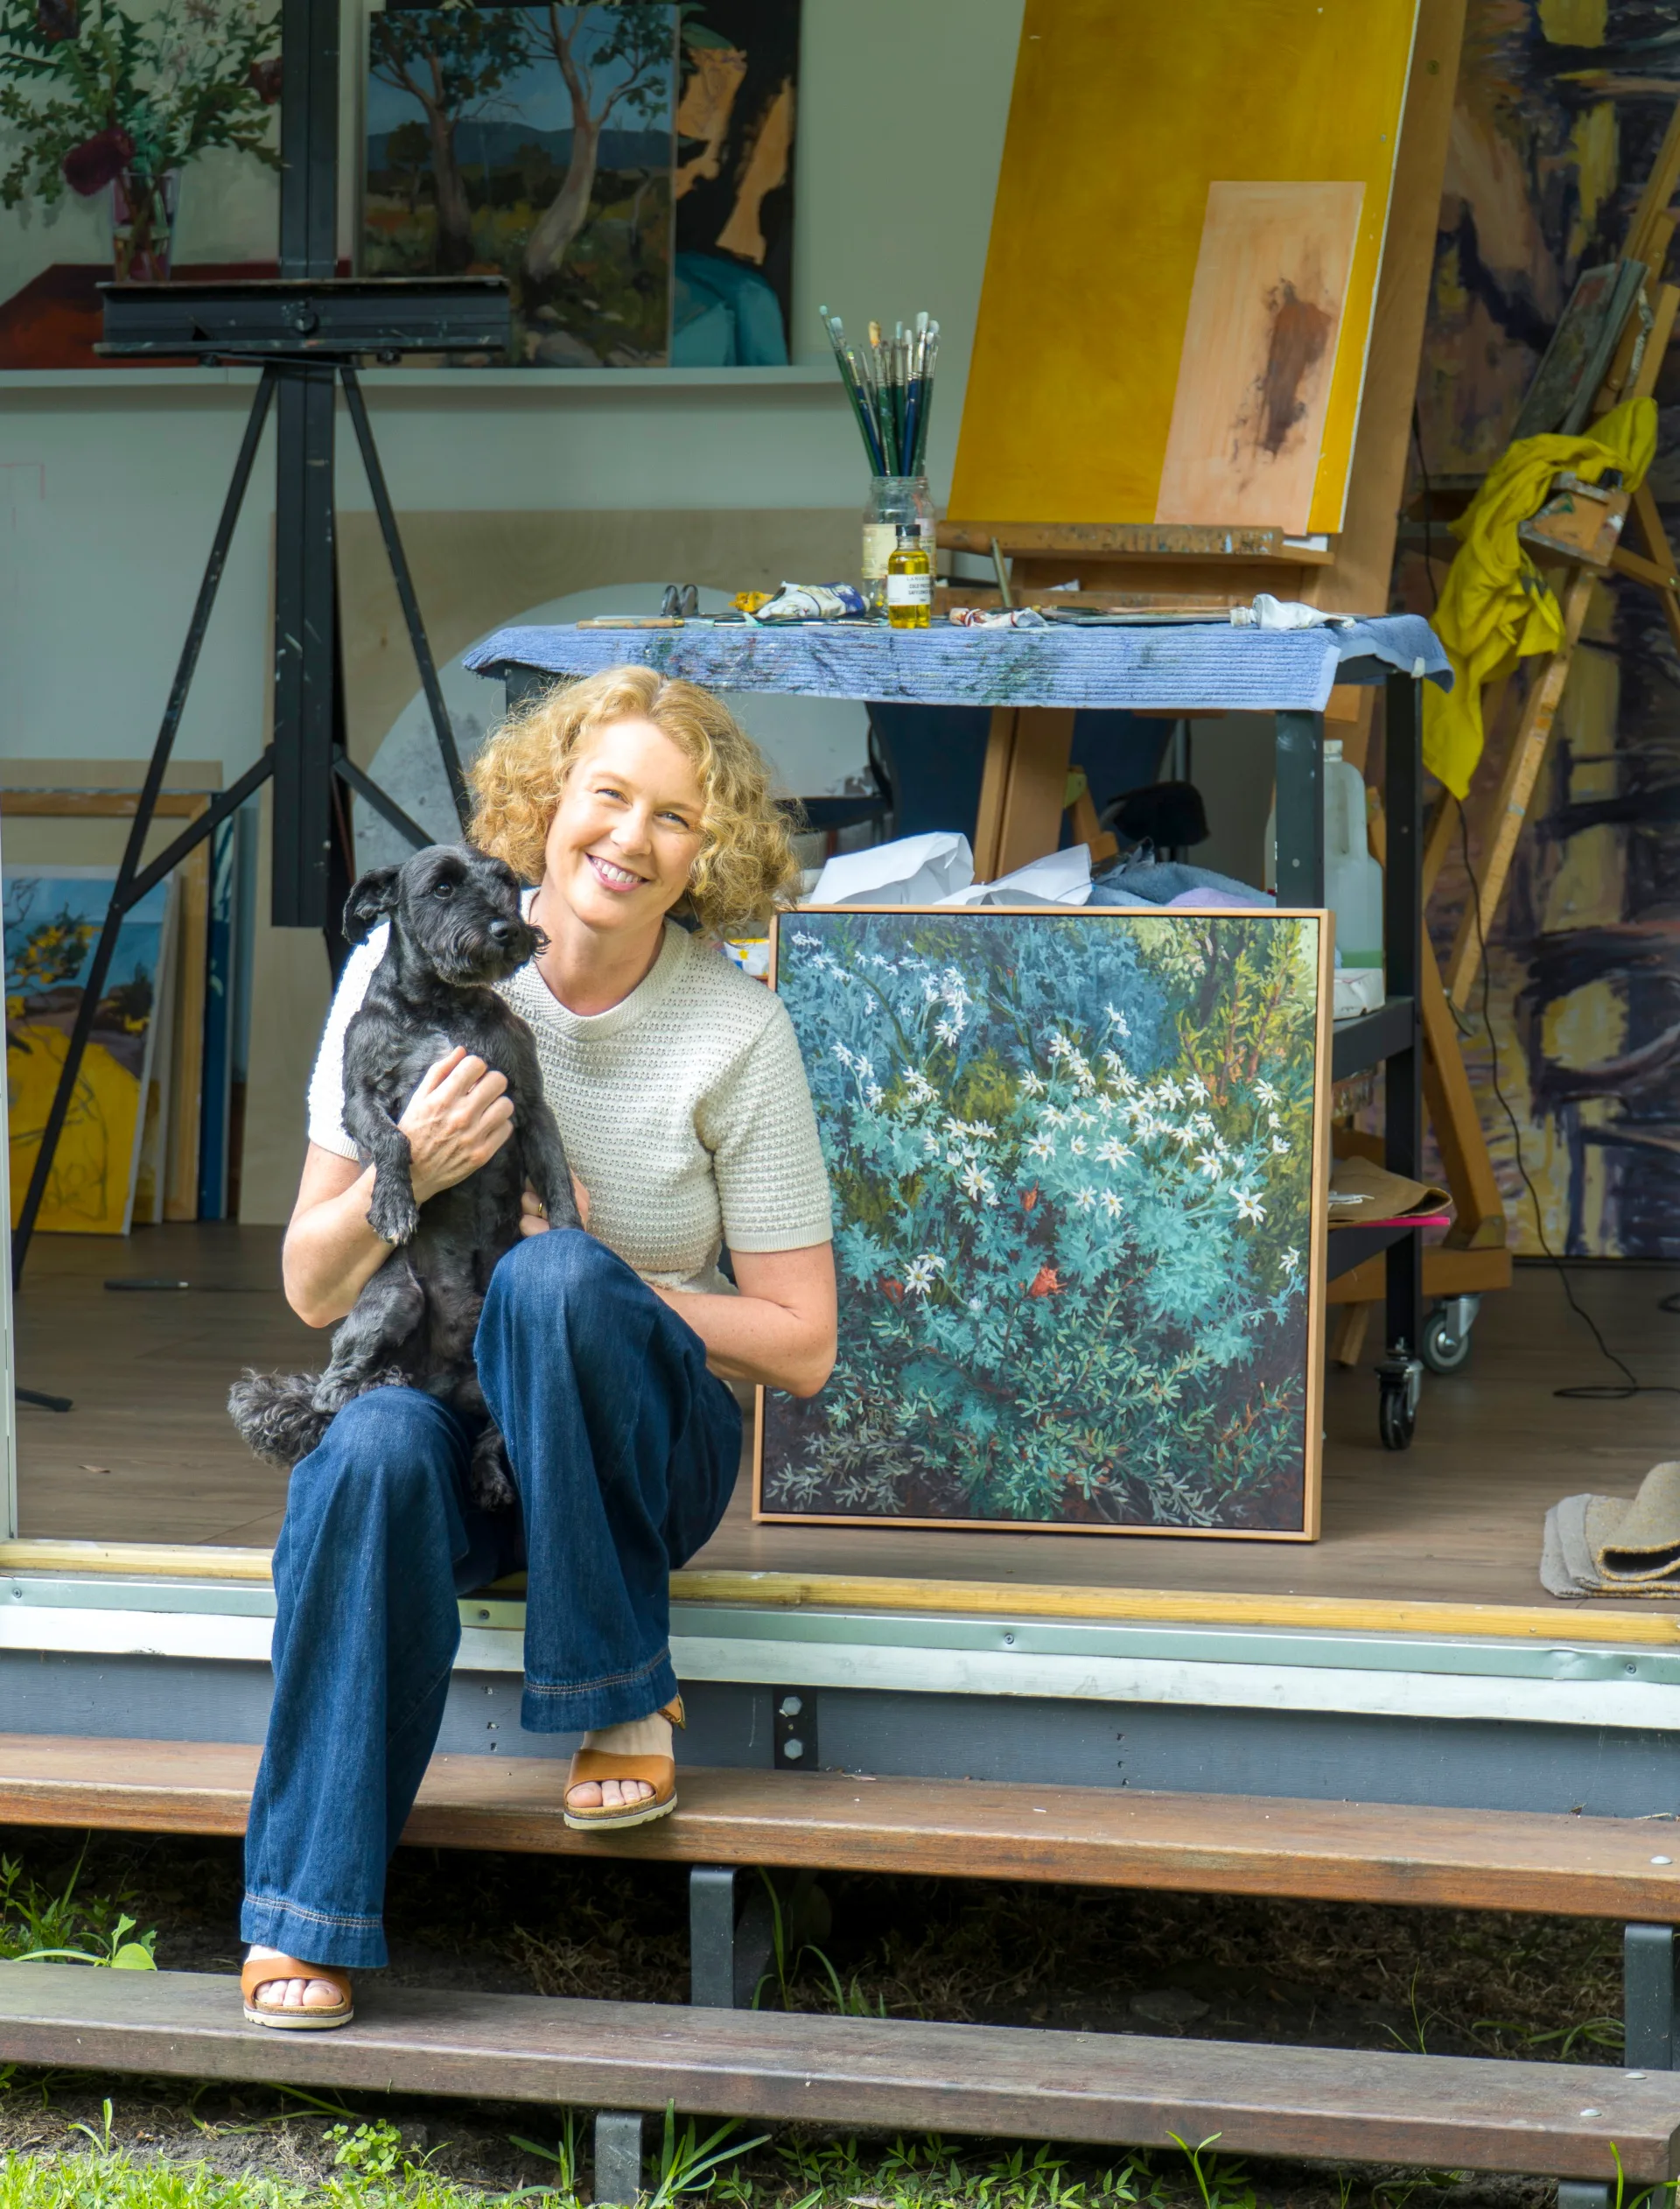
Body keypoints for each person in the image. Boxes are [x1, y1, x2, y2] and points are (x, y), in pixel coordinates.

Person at [239, 665, 836, 2029]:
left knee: (558, 1279)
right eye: (608, 796)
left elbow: (802, 1346)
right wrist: (423, 1167)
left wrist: (608, 1281)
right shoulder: (392, 980)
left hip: (628, 1449)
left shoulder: (739, 1030)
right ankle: (307, 1909)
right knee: (373, 1442)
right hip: (457, 1432)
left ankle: (621, 1696)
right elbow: (308, 1288)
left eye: (674, 819)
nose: (630, 839)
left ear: (709, 854)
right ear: (546, 807)